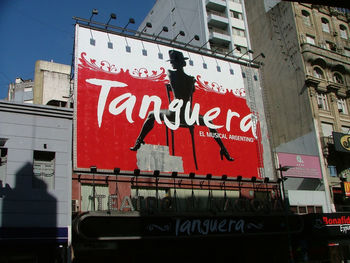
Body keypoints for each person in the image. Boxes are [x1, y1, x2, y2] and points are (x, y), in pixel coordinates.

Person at [130, 50, 233, 162]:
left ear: (176, 63)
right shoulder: (191, 79)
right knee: (210, 121)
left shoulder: (170, 73)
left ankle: (139, 141)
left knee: (151, 114)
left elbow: (174, 84)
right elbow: (191, 91)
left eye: (173, 61)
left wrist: (171, 87)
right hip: (189, 115)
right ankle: (223, 149)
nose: (171, 64)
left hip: (175, 114)